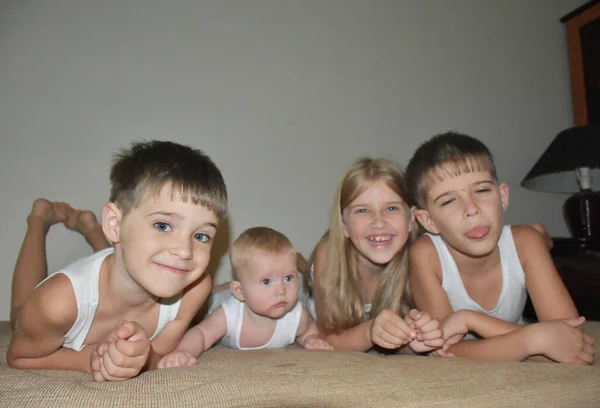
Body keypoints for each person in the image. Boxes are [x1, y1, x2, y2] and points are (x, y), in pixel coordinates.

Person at [7, 140, 228, 380]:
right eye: (163, 225)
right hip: (45, 303)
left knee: (127, 260)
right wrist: (86, 359)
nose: (185, 251)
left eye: (201, 235)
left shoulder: (194, 289)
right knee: (20, 311)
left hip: (119, 267)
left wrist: (143, 356)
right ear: (114, 223)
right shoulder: (56, 303)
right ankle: (39, 218)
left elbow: (161, 355)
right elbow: (19, 357)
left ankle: (93, 231)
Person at [406, 131, 595, 364]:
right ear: (428, 221)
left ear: (503, 196)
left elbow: (572, 340)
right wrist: (532, 340)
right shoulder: (425, 254)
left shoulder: (526, 242)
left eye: (482, 190)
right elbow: (447, 352)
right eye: (448, 201)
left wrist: (470, 319)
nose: (471, 208)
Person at [307, 158, 444, 353]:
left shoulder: (420, 257)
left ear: (411, 219)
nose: (378, 222)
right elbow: (331, 340)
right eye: (362, 210)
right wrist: (370, 331)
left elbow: (414, 340)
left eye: (391, 208)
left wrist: (414, 335)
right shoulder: (328, 254)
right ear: (344, 225)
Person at [158, 227, 332, 369]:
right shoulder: (229, 314)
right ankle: (222, 288)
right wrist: (183, 351)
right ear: (240, 292)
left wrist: (312, 339)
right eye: (266, 281)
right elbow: (201, 334)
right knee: (204, 300)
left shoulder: (296, 315)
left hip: (238, 291)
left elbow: (309, 330)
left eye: (288, 278)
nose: (281, 290)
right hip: (217, 301)